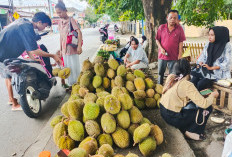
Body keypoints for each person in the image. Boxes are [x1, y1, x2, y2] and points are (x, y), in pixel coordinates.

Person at [0, 12, 62, 110]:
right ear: (39, 22)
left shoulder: (24, 22)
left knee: (8, 76)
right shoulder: (27, 28)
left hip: (3, 50)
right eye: (45, 26)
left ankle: (11, 100)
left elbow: (27, 46)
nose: (44, 28)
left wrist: (32, 58)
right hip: (3, 53)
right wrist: (53, 55)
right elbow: (34, 50)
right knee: (9, 75)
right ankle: (14, 104)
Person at [159, 59, 219, 140]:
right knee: (207, 107)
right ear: (189, 70)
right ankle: (191, 131)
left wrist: (200, 93)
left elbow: (181, 95)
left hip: (163, 112)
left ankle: (185, 126)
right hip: (173, 118)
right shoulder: (187, 84)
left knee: (194, 103)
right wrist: (213, 95)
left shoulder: (171, 77)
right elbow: (204, 104)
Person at [191, 26, 231, 91]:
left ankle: (202, 99)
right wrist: (200, 62)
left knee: (201, 84)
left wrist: (211, 68)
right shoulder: (208, 44)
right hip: (206, 71)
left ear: (219, 35)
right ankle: (194, 99)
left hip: (218, 74)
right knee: (193, 81)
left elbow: (227, 64)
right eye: (209, 35)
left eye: (212, 35)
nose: (209, 37)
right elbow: (202, 57)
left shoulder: (227, 46)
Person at [55, 1, 83, 88]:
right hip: (64, 50)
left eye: (60, 12)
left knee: (74, 69)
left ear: (65, 10)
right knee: (67, 69)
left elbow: (79, 32)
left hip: (72, 49)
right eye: (57, 13)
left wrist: (79, 46)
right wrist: (60, 50)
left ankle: (77, 85)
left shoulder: (71, 20)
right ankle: (71, 86)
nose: (58, 14)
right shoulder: (60, 22)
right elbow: (61, 37)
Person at [155, 10, 186, 85]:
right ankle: (159, 87)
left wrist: (180, 53)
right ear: (167, 18)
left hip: (174, 56)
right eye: (171, 17)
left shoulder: (179, 29)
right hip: (162, 55)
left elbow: (181, 42)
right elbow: (157, 40)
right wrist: (161, 48)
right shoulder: (161, 27)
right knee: (160, 73)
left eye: (175, 18)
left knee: (172, 74)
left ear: (177, 19)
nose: (172, 19)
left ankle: (170, 88)